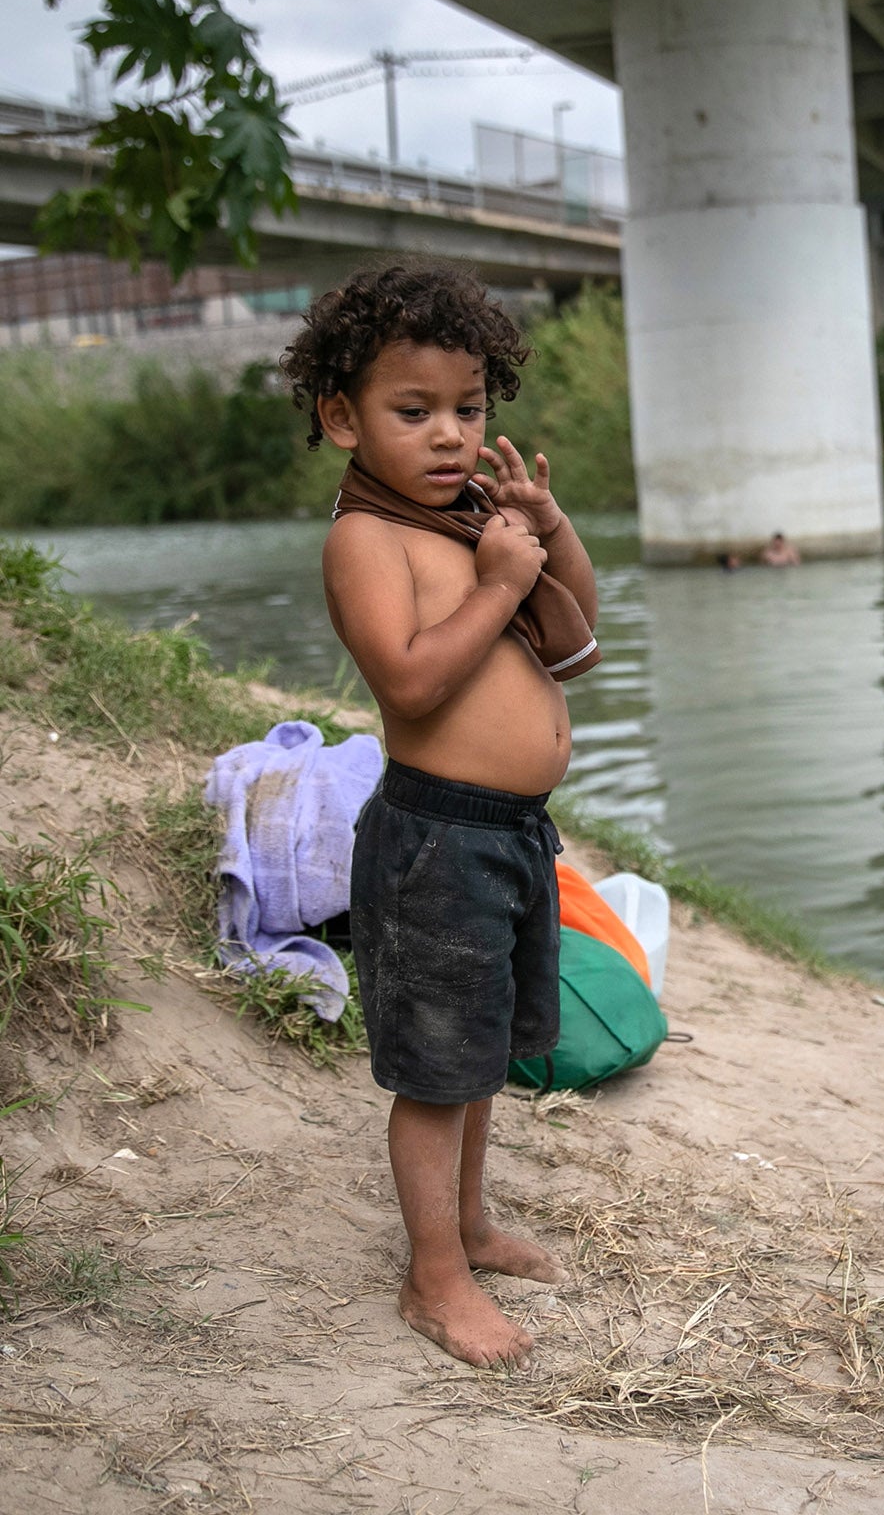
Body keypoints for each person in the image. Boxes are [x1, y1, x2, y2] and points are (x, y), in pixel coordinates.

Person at [284, 259, 600, 1368]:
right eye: (411, 412)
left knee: (479, 1061)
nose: (449, 435)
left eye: (467, 409)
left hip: (510, 836)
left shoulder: (475, 518)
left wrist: (546, 536)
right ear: (342, 419)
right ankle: (432, 1279)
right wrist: (501, 585)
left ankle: (466, 1230)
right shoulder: (364, 539)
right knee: (434, 1074)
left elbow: (579, 635)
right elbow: (412, 683)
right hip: (435, 842)